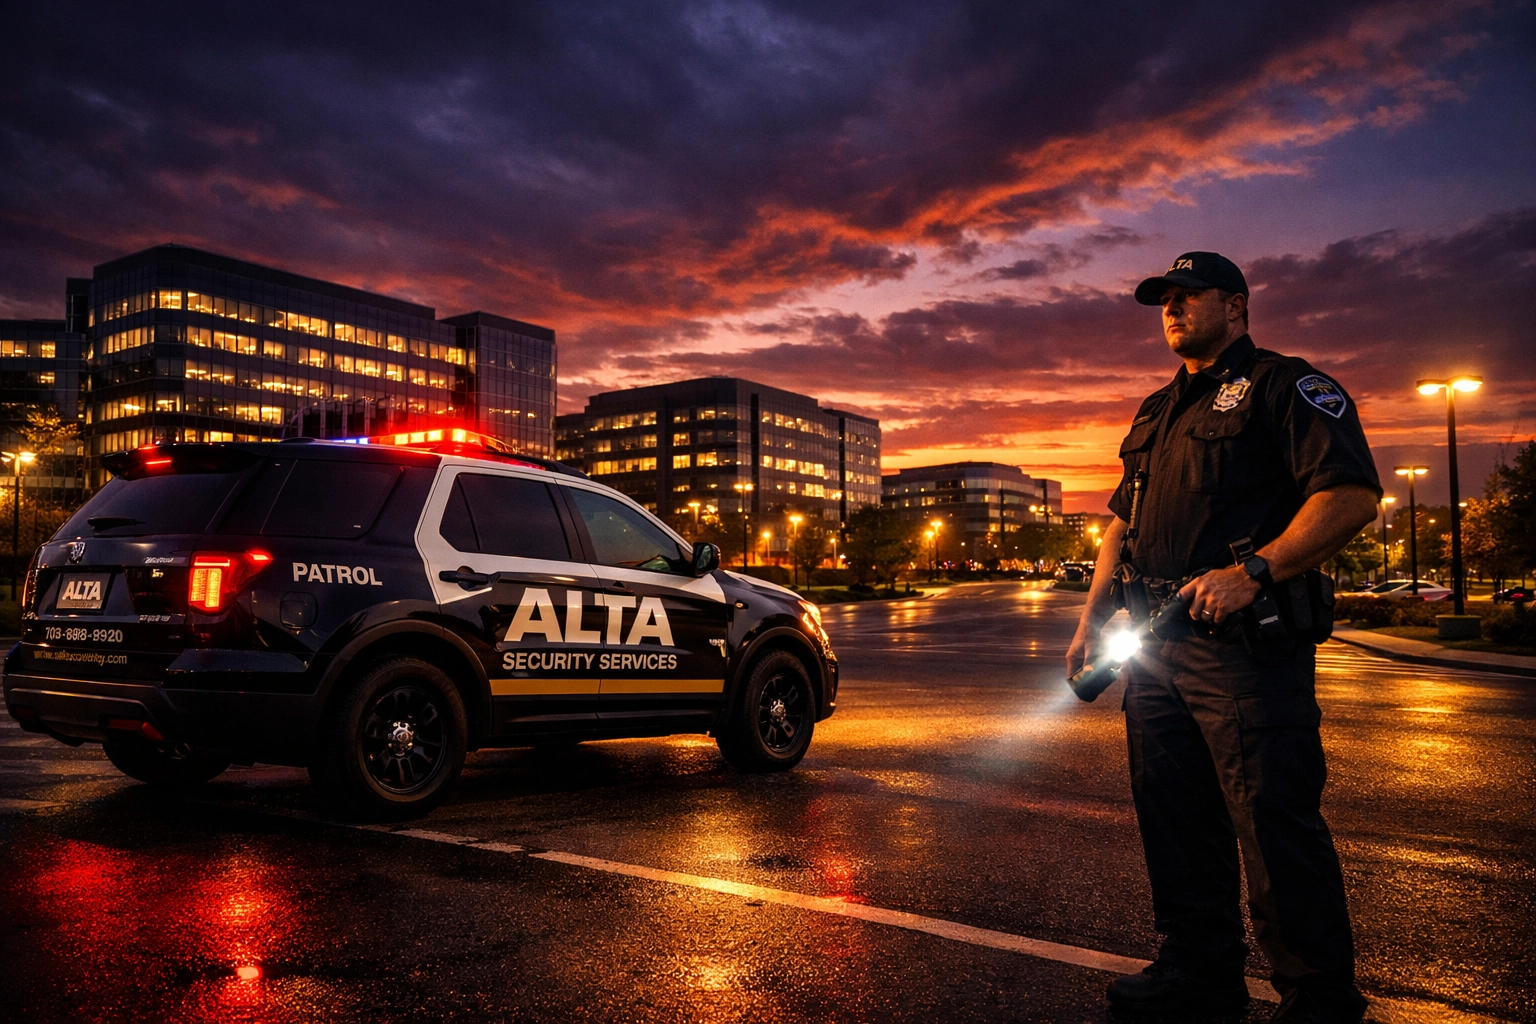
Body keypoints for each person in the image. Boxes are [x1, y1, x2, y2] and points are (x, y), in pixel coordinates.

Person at [1066, 252, 1381, 1023]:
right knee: (1174, 816)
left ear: (1235, 305)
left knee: (1272, 821)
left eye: (1188, 295)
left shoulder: (1283, 386)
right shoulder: (1156, 410)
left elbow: (1349, 496)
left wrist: (1255, 572)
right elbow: (1121, 523)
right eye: (1163, 300)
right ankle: (1198, 972)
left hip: (1245, 648)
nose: (1172, 309)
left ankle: (1318, 997)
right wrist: (1092, 618)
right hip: (1154, 646)